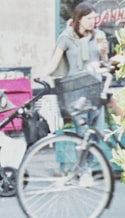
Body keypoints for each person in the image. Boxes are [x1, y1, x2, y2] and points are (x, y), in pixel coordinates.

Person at [42, 3, 104, 132]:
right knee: (82, 132)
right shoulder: (66, 37)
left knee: (98, 131)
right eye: (88, 18)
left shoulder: (99, 35)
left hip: (95, 86)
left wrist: (103, 52)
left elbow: (105, 62)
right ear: (79, 19)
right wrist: (42, 75)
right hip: (76, 89)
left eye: (94, 18)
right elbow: (54, 62)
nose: (92, 22)